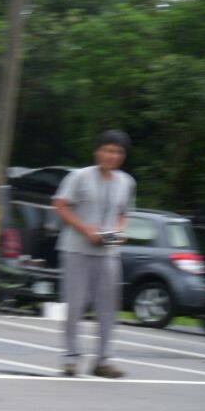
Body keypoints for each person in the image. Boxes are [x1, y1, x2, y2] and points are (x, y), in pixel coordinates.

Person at [53, 130, 135, 378]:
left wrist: (118, 231)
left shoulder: (126, 182)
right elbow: (60, 205)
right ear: (97, 151)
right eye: (108, 150)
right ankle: (70, 357)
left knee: (108, 307)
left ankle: (103, 360)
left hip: (108, 252)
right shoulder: (79, 176)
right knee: (76, 305)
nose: (112, 156)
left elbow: (124, 212)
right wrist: (85, 229)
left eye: (118, 152)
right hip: (77, 249)